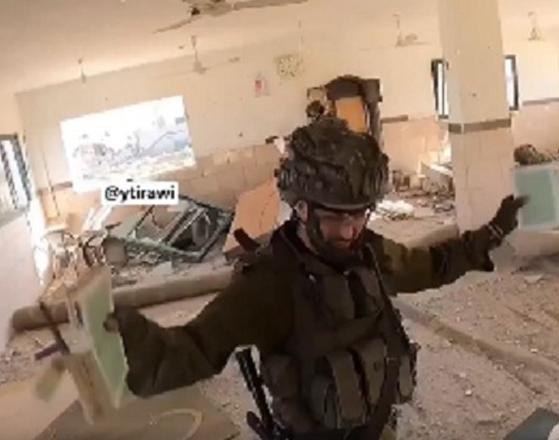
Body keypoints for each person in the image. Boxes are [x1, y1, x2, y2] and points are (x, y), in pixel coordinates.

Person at [105, 117, 526, 440]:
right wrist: (129, 341)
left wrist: (486, 237)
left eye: (360, 215)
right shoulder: (267, 284)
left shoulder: (370, 253)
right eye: (334, 218)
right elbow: (189, 352)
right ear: (301, 209)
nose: (350, 232)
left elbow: (431, 265)